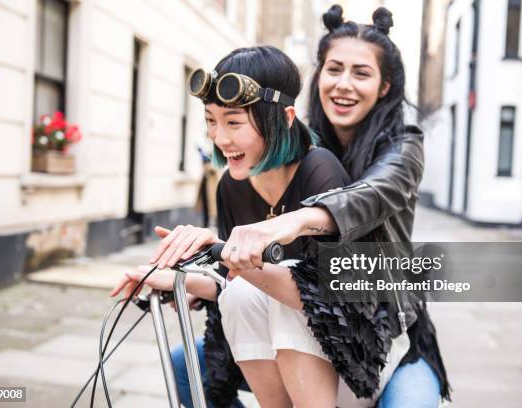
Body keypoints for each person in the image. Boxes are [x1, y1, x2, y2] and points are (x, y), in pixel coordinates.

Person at [202, 5, 451, 408]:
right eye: (334, 69)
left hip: (385, 322)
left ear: (384, 86)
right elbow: (241, 278)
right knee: (188, 363)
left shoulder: (403, 145)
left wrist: (292, 221)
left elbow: (372, 193)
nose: (344, 85)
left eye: (362, 73)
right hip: (298, 317)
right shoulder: (294, 146)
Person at [111, 45, 351, 407]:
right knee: (183, 366)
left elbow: (325, 298)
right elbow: (237, 286)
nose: (219, 138)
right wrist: (178, 279)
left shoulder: (320, 169)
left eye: (234, 122)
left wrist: (216, 249)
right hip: (268, 334)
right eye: (211, 120)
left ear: (285, 118)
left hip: (335, 344)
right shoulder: (231, 185)